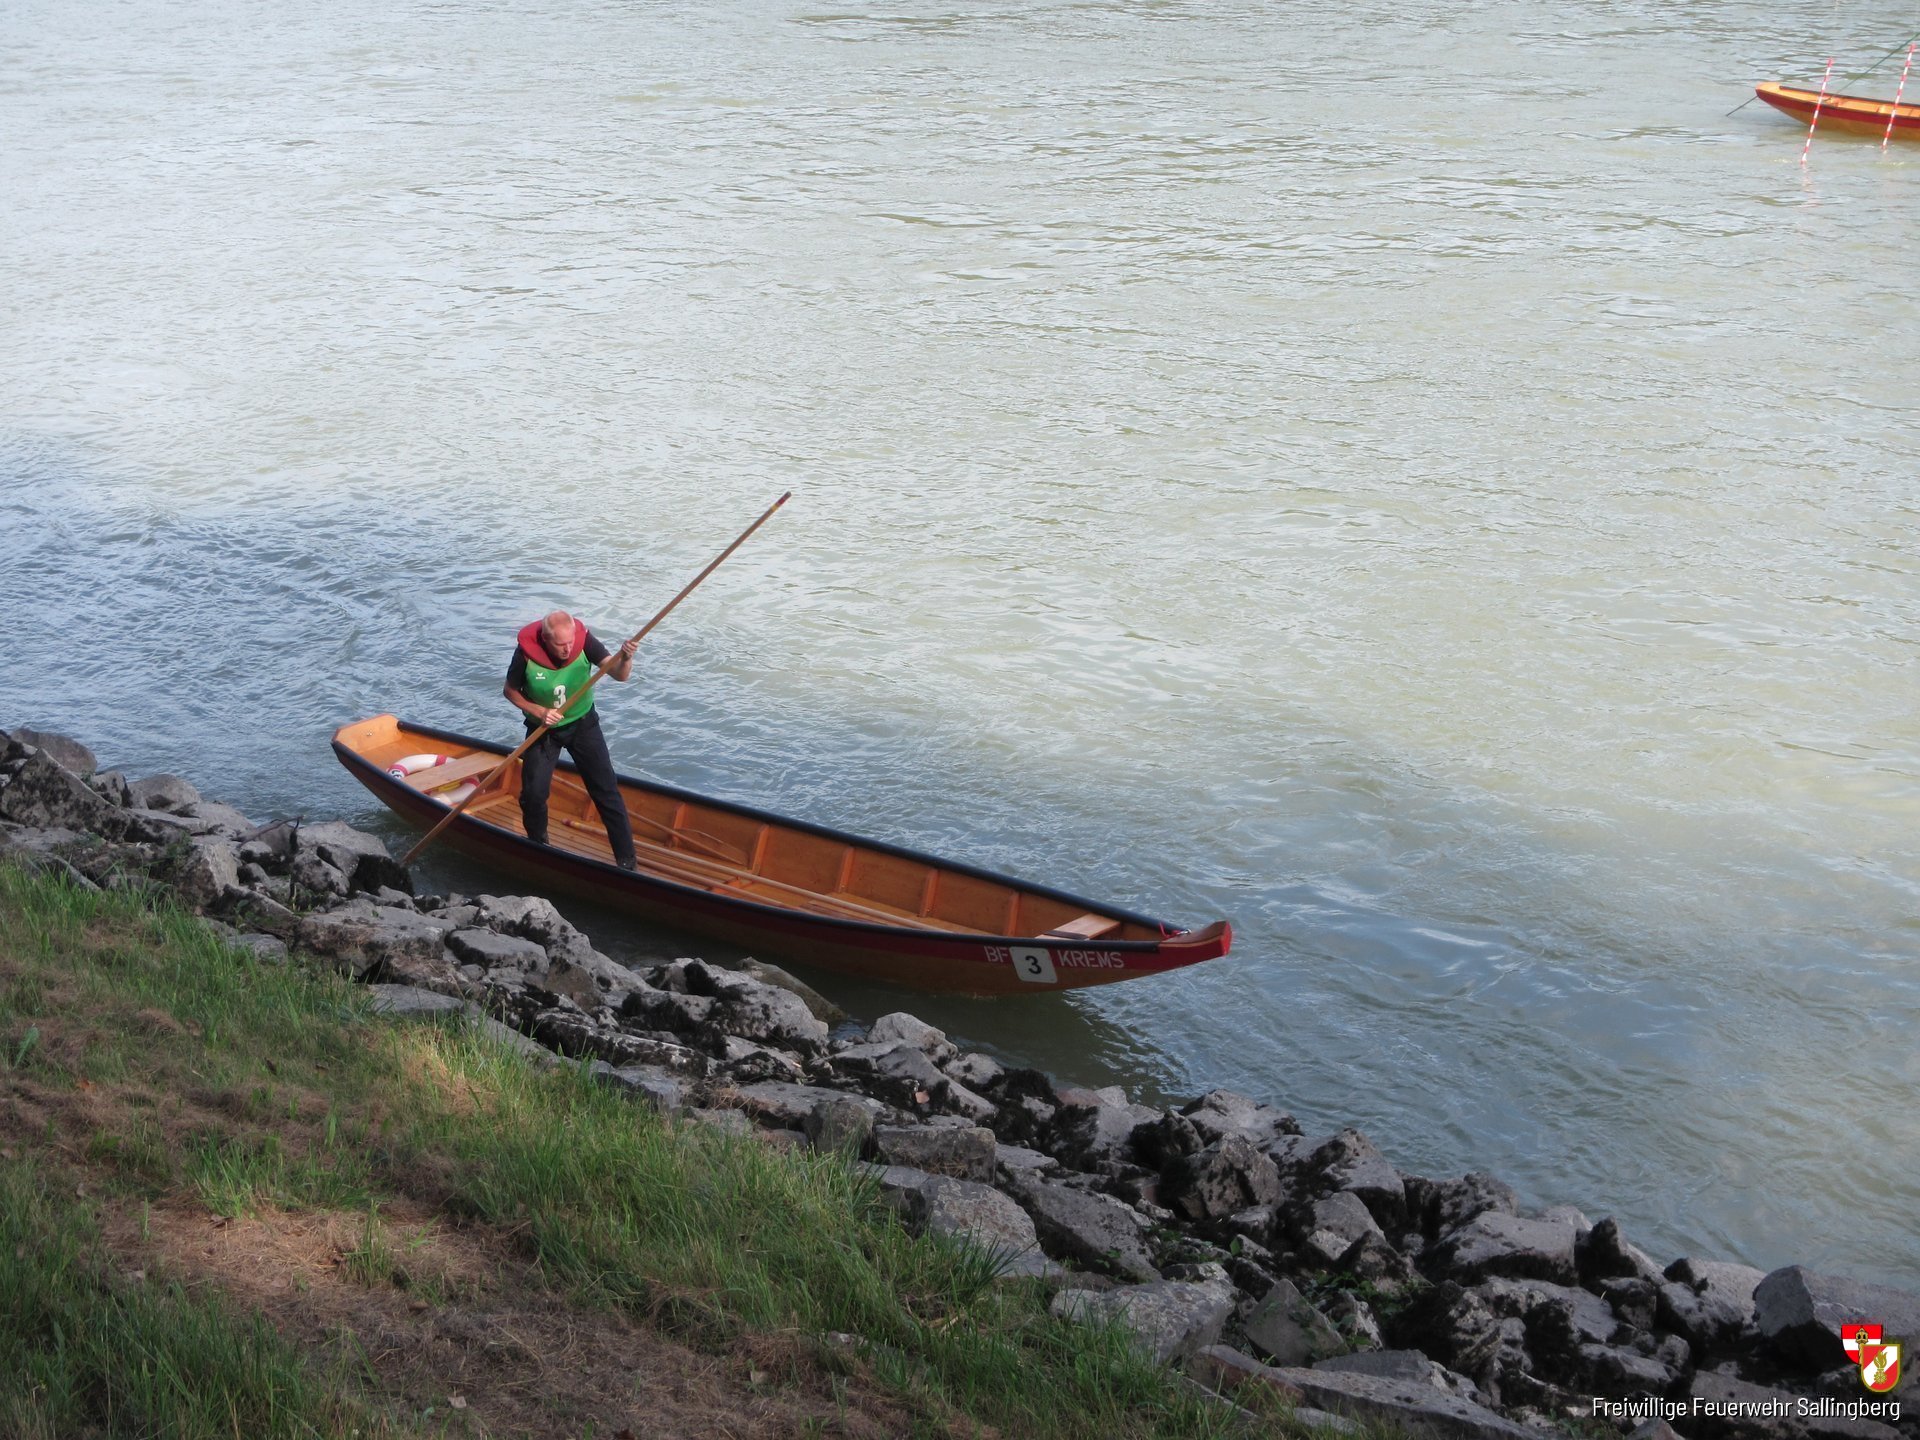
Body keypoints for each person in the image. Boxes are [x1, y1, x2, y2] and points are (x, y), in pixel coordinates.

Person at [503, 609, 640, 870]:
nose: (568, 649)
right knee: (533, 795)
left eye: (570, 642)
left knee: (606, 790)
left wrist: (626, 658)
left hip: (582, 724)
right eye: (560, 645)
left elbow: (620, 675)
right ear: (545, 639)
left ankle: (627, 862)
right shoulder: (526, 654)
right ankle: (538, 847)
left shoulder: (584, 641)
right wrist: (538, 711)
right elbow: (510, 691)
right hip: (543, 730)